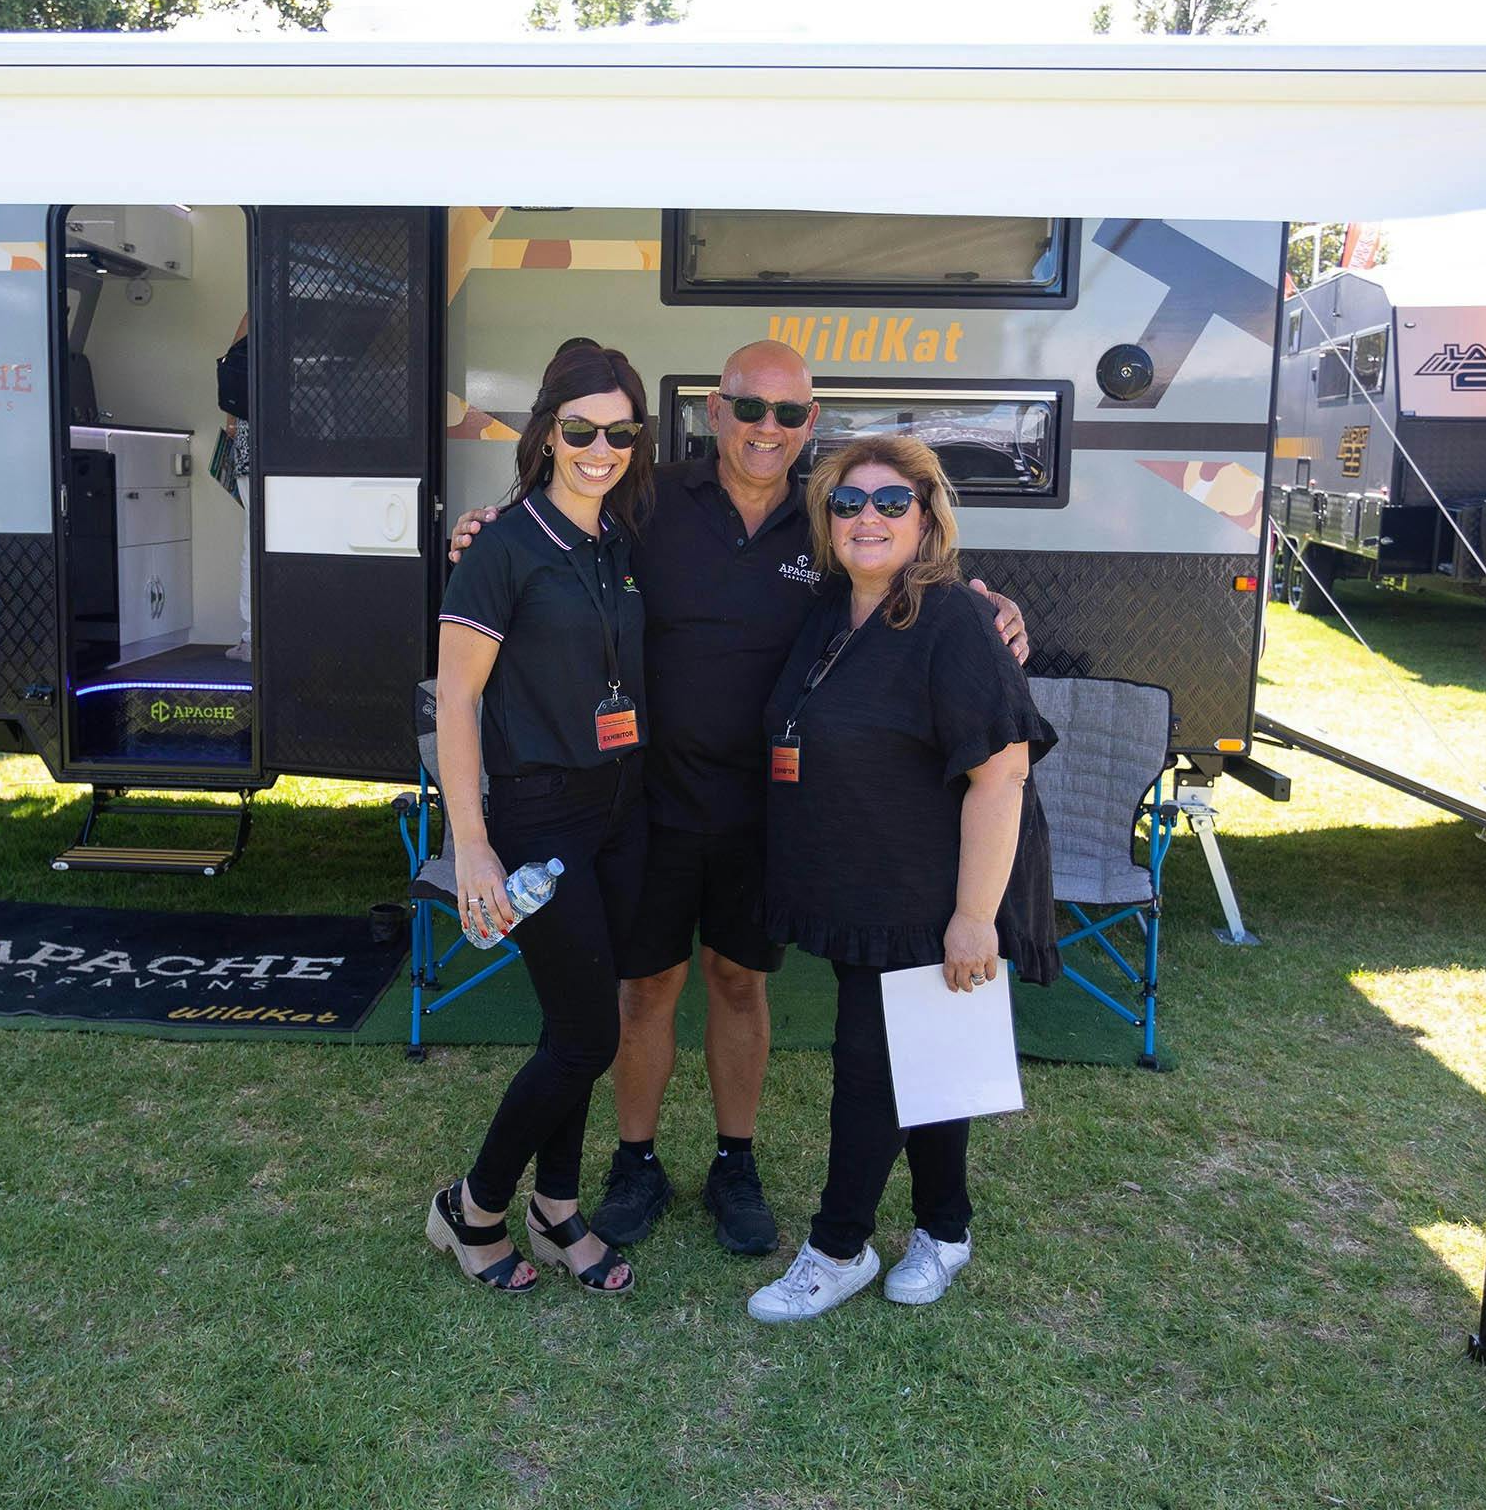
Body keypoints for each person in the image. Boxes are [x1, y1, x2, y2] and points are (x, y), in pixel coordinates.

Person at [450, 341, 1029, 1258]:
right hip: (645, 799)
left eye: (790, 414)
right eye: (749, 409)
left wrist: (988, 603)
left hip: (768, 808)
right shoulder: (651, 497)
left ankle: (735, 1160)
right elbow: (559, 527)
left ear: (811, 422)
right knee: (646, 989)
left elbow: (897, 574)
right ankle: (634, 1160)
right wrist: (488, 527)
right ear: (714, 412)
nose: (768, 429)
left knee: (738, 981)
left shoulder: (827, 513)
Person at [744, 435, 1058, 1324]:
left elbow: (1003, 772)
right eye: (849, 503)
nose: (869, 517)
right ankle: (945, 1228)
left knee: (869, 1065)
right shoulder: (833, 611)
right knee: (926, 1056)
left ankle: (837, 1247)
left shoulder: (955, 619)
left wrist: (973, 917)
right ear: (827, 520)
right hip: (858, 881)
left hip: (925, 891)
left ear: (927, 518)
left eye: (892, 502)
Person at [422, 342, 655, 1297]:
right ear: (546, 434)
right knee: (587, 1038)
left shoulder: (617, 543)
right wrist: (472, 843)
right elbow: (458, 700)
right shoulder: (505, 546)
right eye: (580, 430)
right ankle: (471, 1206)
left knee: (580, 1020)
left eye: (620, 433)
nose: (600, 449)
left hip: (616, 808)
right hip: (535, 814)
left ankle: (557, 1210)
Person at [211, 313, 253, 664]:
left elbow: (233, 372)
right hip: (305, 448)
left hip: (254, 448)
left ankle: (254, 637)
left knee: (255, 541)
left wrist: (231, 423)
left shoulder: (256, 311)